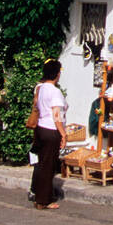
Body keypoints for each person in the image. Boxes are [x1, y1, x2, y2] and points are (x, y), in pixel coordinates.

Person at [30, 60, 68, 210]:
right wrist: (63, 134)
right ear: (57, 74)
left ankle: (39, 194)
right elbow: (56, 115)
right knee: (48, 166)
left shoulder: (41, 88)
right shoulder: (54, 91)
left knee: (42, 164)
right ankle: (43, 200)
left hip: (41, 128)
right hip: (51, 130)